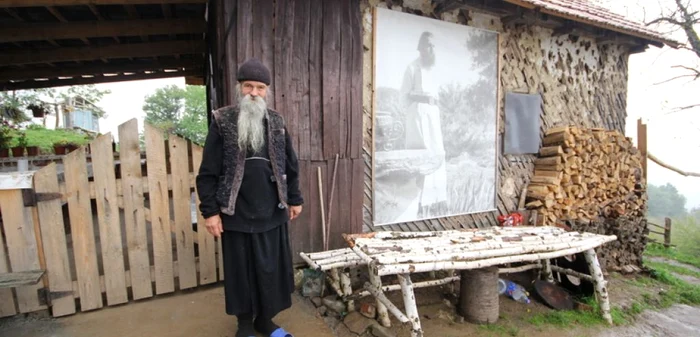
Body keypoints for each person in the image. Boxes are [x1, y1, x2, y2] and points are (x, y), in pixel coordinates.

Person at [196, 58, 303, 337]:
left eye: (260, 87)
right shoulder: (223, 120)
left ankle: (264, 321)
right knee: (241, 273)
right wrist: (210, 212)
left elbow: (289, 164)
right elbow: (207, 172)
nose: (254, 93)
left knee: (270, 270)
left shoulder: (277, 121)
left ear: (266, 91)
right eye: (248, 87)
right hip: (236, 212)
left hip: (272, 210)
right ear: (239, 88)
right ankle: (244, 324)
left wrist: (295, 198)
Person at [399, 31, 448, 219]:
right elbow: (403, 95)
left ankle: (436, 201)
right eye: (428, 45)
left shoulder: (434, 69)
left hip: (432, 115)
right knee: (422, 153)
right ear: (420, 47)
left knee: (437, 152)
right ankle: (418, 202)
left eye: (434, 45)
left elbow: (438, 95)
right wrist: (421, 97)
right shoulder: (412, 68)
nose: (431, 49)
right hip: (417, 115)